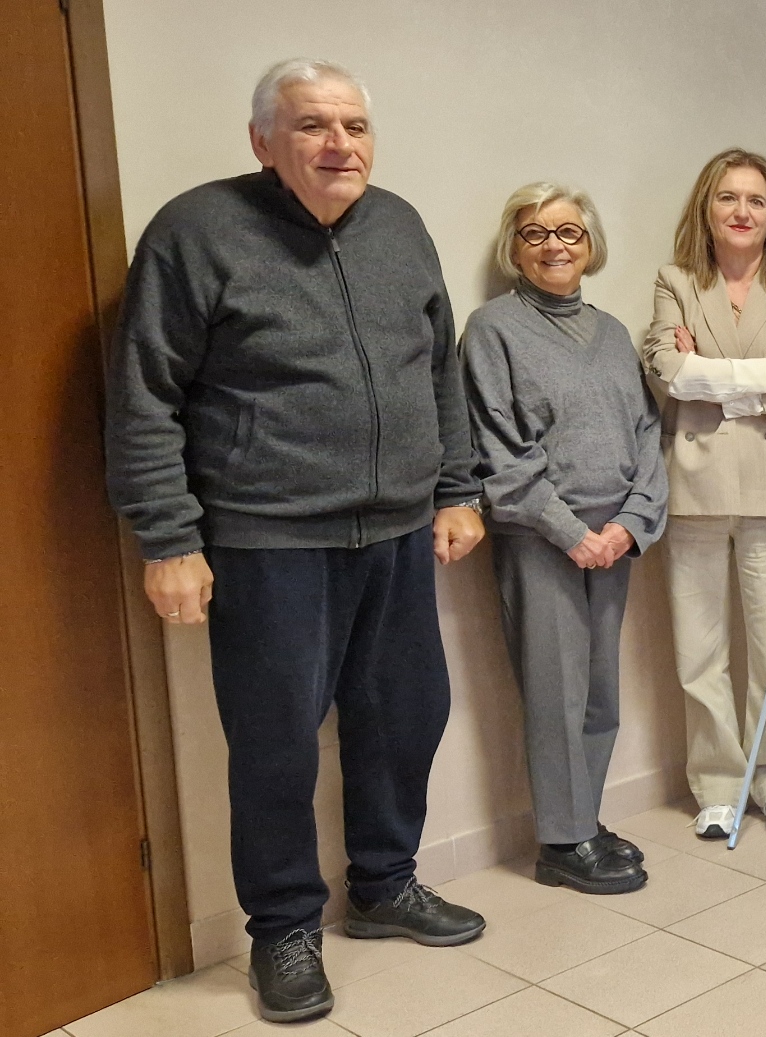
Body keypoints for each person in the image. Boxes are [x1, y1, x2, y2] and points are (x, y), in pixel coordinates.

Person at [105, 58, 487, 1023]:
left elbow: (437, 370)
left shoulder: (399, 225)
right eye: (313, 125)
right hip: (267, 539)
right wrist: (167, 537)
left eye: (354, 126)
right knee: (275, 743)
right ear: (263, 141)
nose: (338, 145)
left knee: (406, 714)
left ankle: (384, 884)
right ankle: (282, 927)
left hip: (399, 529)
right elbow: (144, 394)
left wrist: (455, 488)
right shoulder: (196, 231)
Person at [462, 183, 666, 896]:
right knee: (555, 692)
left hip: (613, 539)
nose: (554, 245)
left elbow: (647, 434)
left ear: (590, 245)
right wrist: (570, 532)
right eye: (535, 233)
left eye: (569, 232)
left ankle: (584, 820)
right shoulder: (492, 330)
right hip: (540, 540)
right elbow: (496, 447)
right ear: (514, 249)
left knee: (600, 693)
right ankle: (560, 841)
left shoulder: (612, 333)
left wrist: (630, 524)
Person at [641, 149, 766, 842]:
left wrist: (712, 376)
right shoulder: (675, 281)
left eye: (756, 200)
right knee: (700, 651)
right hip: (693, 489)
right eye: (728, 197)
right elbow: (668, 374)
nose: (742, 211)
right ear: (708, 208)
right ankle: (719, 785)